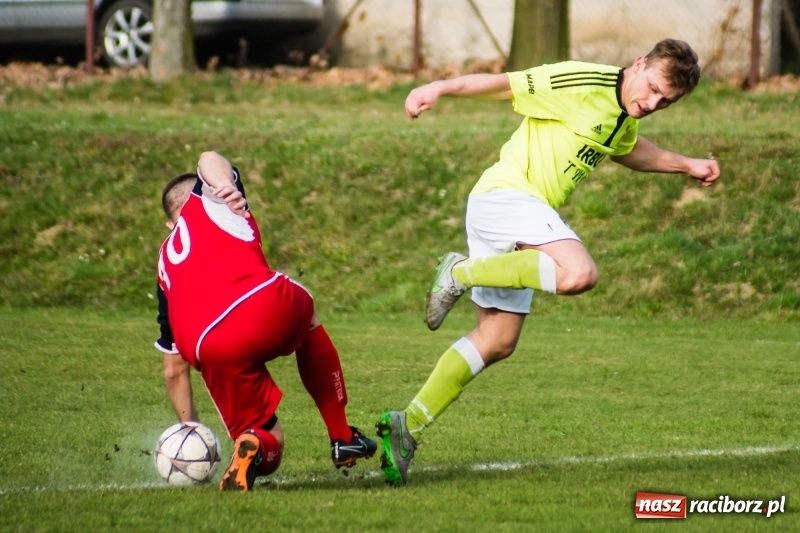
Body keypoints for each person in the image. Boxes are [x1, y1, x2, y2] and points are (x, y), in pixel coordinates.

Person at [375, 39, 721, 485]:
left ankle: (407, 425)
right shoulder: (582, 81)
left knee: (497, 340)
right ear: (639, 64)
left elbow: (626, 148)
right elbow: (504, 85)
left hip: (511, 213)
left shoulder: (625, 114)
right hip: (508, 197)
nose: (652, 103)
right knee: (578, 272)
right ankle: (459, 272)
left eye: (665, 102)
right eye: (652, 88)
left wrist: (685, 164)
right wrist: (440, 87)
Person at [155, 150, 377, 492]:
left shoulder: (164, 265)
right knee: (309, 310)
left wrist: (192, 434)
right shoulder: (211, 198)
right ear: (200, 189)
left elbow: (173, 369)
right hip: (258, 307)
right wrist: (225, 183)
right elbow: (209, 156)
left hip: (207, 347)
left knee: (268, 438)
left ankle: (254, 446)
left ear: (171, 224)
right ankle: (341, 435)